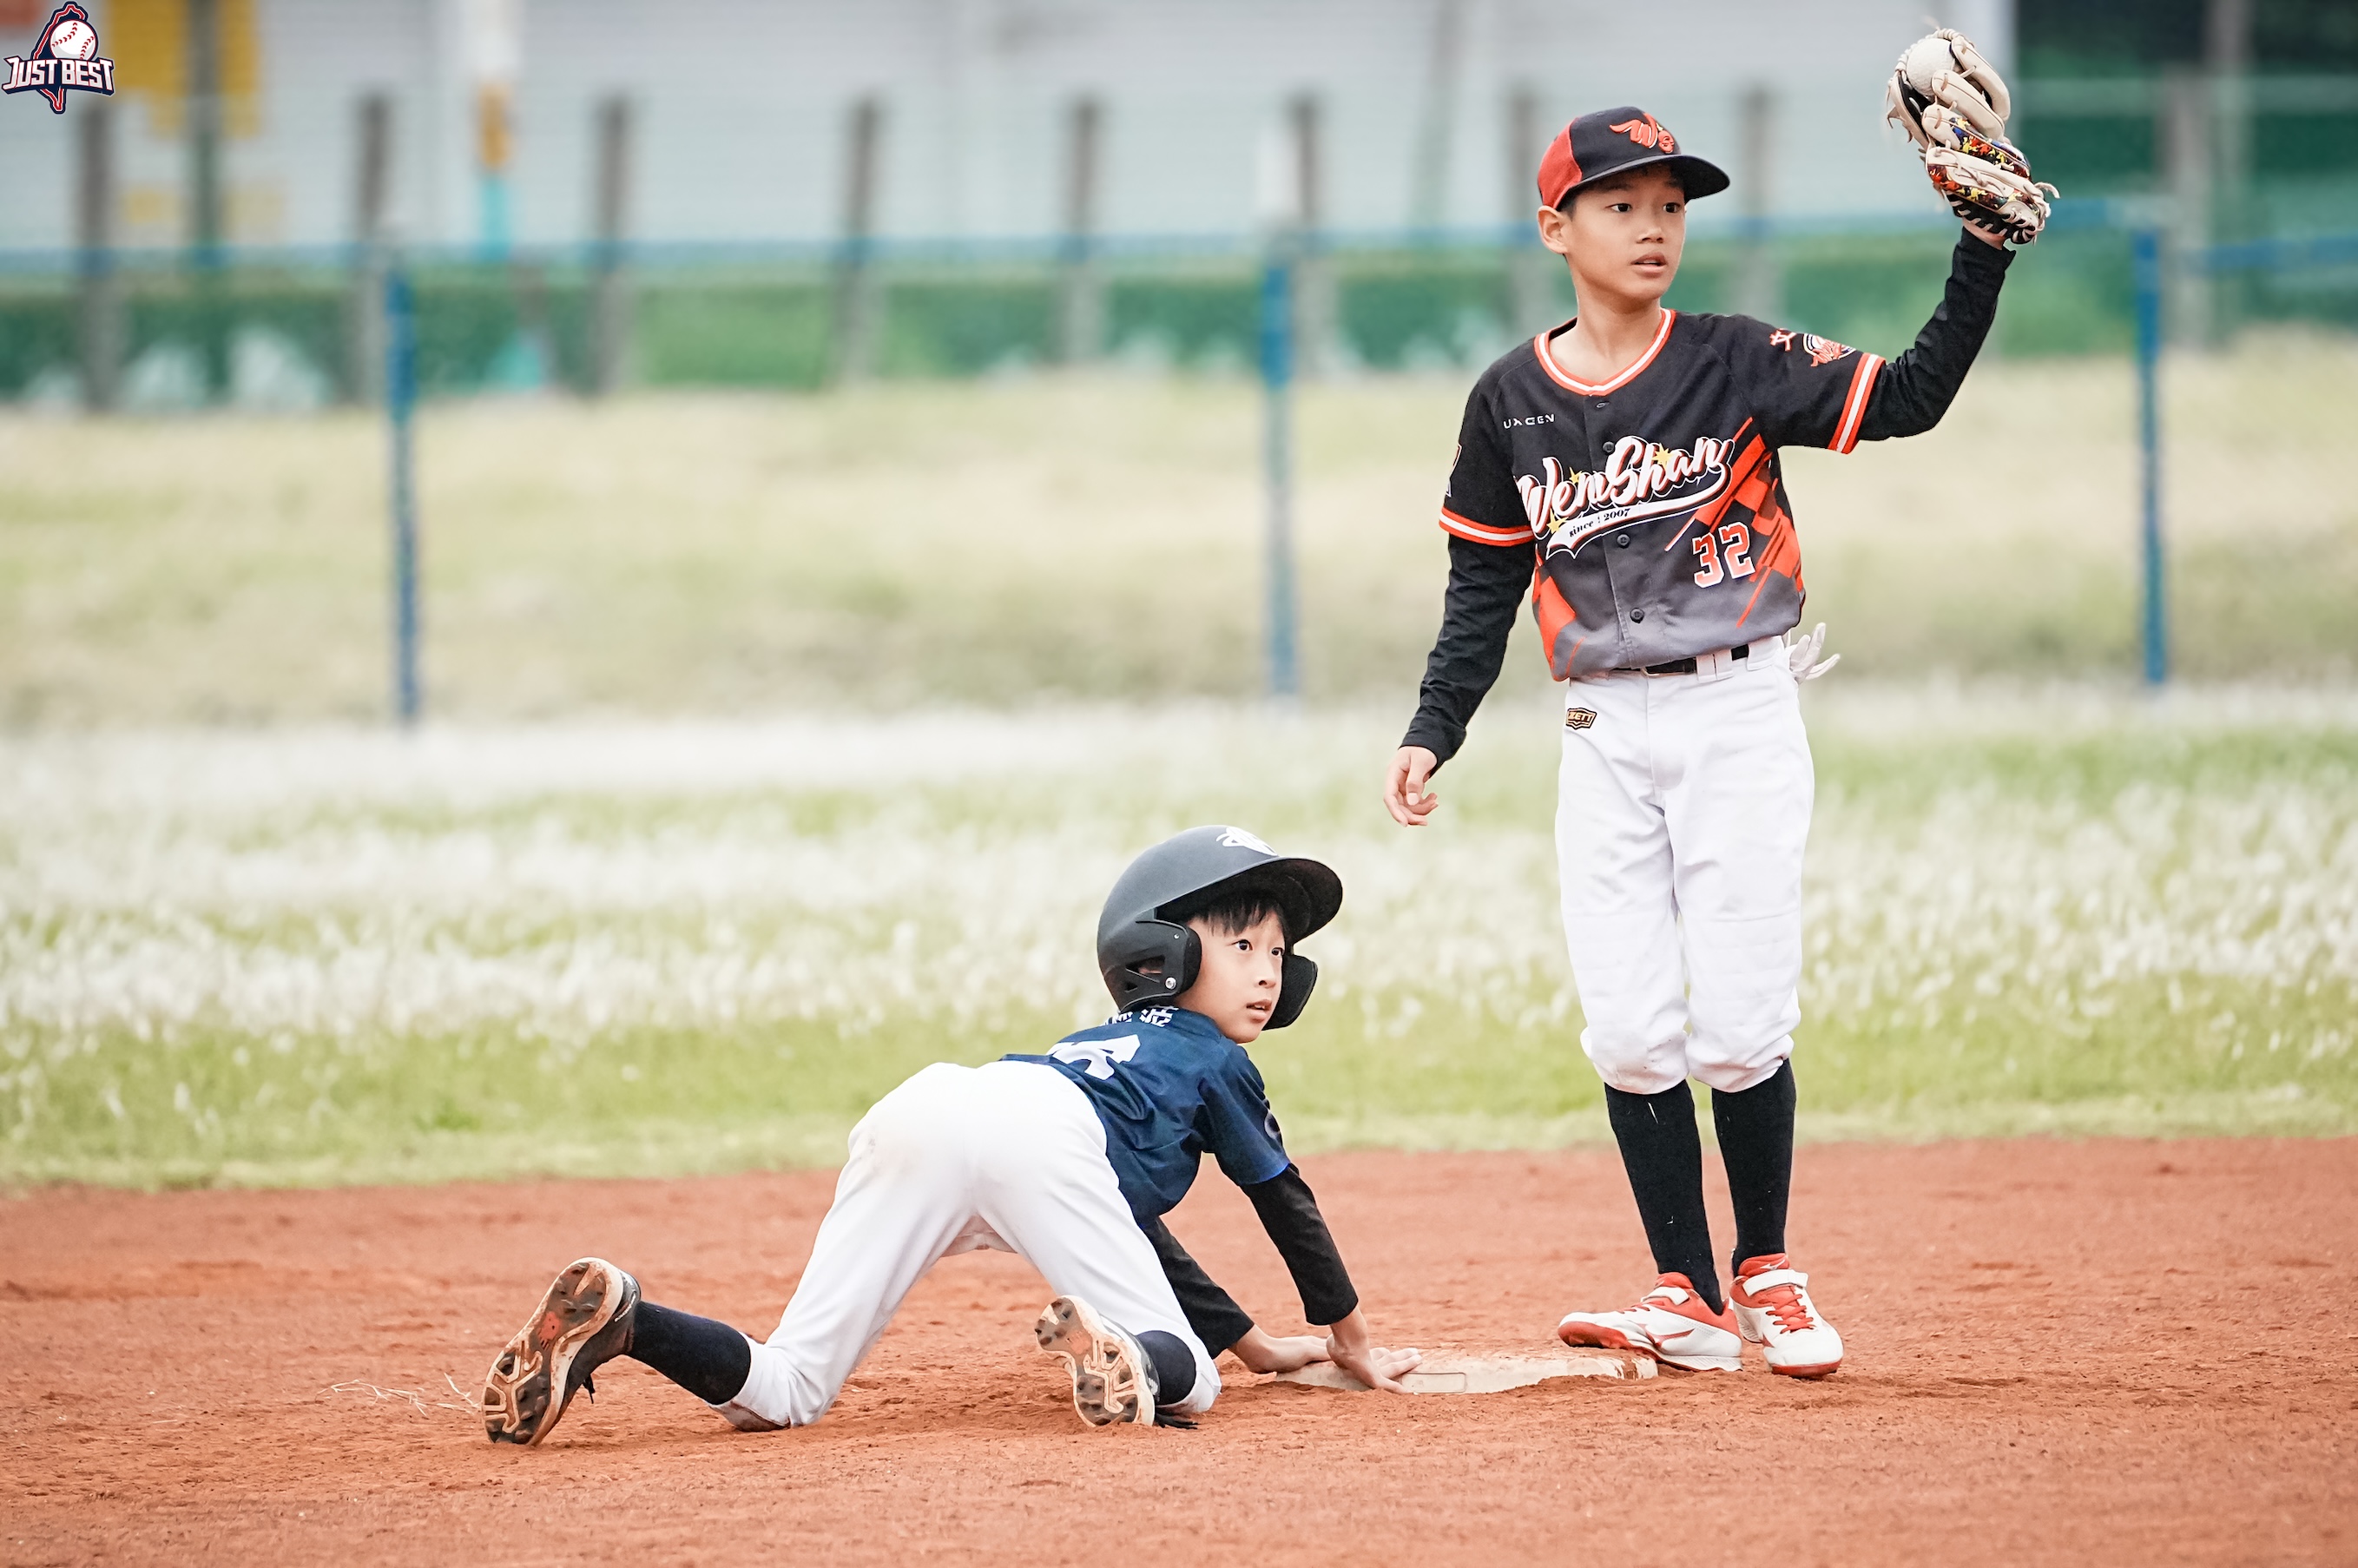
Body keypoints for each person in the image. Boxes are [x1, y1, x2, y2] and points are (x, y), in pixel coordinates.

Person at [1382, 104, 2015, 1377]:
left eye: (1671, 204)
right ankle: (1683, 1290)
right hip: (1600, 725)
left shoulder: (1733, 358)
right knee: (1624, 1029)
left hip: (1737, 709)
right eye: (1621, 203)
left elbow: (1912, 395)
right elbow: (1483, 588)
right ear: (1556, 226)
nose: (1653, 225)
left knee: (1735, 1025)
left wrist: (1983, 248)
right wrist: (1432, 728)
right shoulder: (1508, 400)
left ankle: (1766, 1269)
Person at [481, 825, 1419, 1444]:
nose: (1268, 972)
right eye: (1243, 945)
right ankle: (1130, 1356)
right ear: (1158, 955)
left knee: (791, 1388)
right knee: (1190, 1389)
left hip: (927, 1107)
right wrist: (1350, 1340)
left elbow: (1127, 1221)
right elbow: (1282, 1198)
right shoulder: (1216, 1060)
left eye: (1280, 954)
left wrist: (1256, 1344)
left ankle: (630, 1317)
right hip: (1041, 1142)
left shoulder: (1096, 1048)